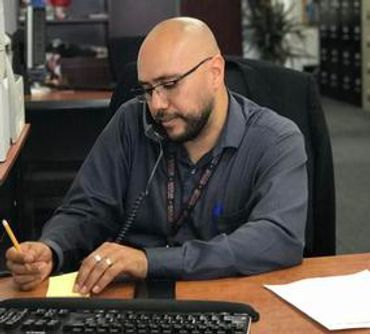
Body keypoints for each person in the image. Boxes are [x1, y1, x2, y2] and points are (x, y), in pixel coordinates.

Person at [6, 17, 308, 294]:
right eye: (148, 89)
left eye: (170, 84)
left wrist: (150, 261)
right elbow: (86, 208)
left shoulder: (275, 139)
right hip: (134, 302)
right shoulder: (131, 122)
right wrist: (51, 248)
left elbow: (277, 238)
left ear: (215, 73)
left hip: (229, 298)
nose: (157, 105)